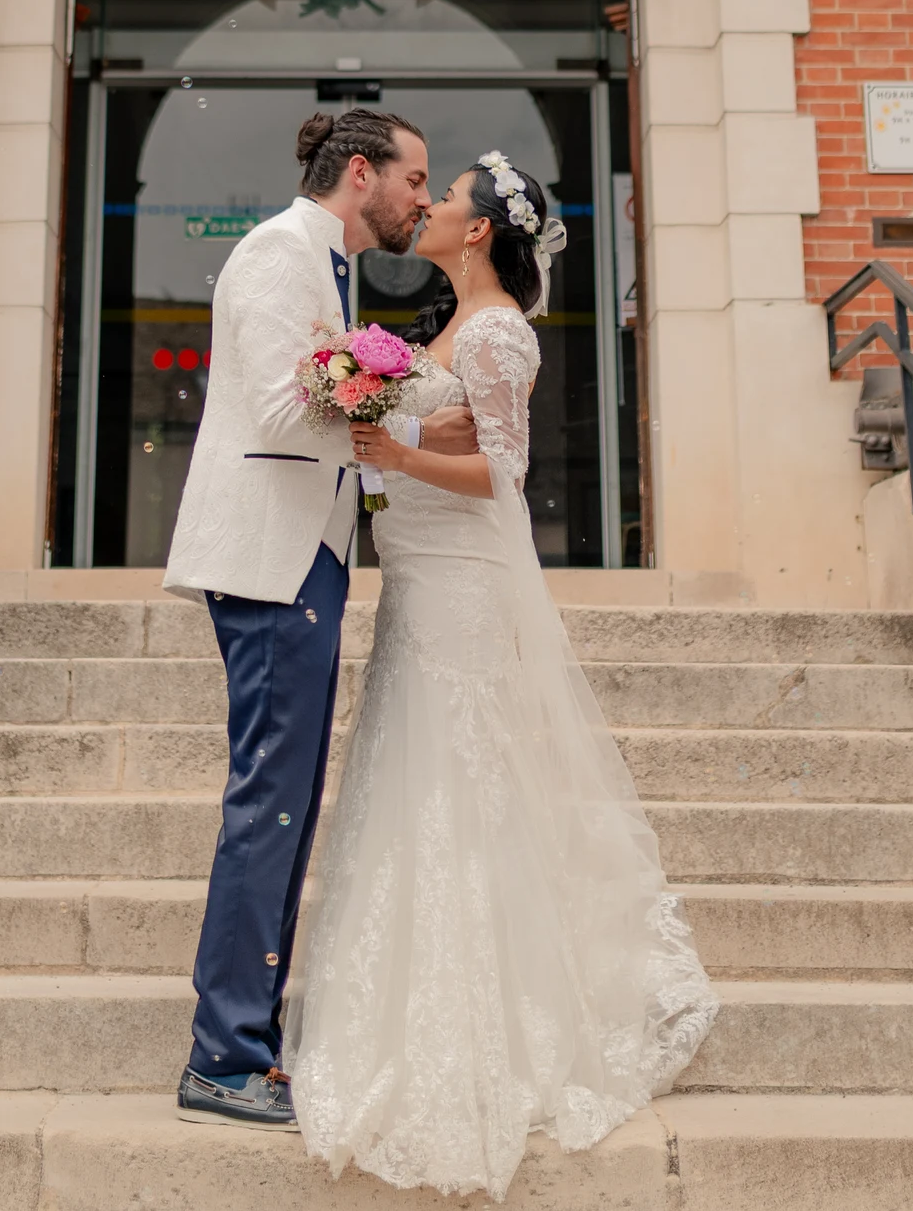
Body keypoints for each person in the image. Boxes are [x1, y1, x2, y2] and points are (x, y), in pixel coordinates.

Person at [285, 152, 719, 1199]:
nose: (428, 204)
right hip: (419, 581)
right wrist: (378, 417)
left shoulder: (495, 332)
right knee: (415, 779)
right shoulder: (450, 326)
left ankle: (480, 1017)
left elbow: (504, 472)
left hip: (462, 588)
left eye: (445, 197)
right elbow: (444, 429)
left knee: (458, 783)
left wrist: (395, 457)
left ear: (479, 229)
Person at [164, 105, 482, 1128]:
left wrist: (389, 391)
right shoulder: (275, 254)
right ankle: (222, 1059)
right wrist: (407, 411)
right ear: (359, 173)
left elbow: (325, 385)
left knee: (287, 806)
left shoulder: (326, 263)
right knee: (269, 805)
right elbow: (277, 406)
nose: (422, 199)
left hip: (308, 555)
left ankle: (248, 1046)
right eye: (413, 178)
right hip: (269, 561)